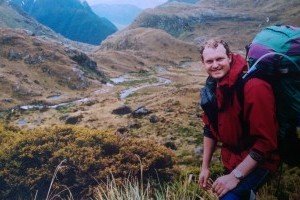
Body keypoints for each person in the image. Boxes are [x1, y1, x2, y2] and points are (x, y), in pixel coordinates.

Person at [198, 39, 280, 199]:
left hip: (262, 162)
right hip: (233, 158)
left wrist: (235, 176)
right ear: (203, 63)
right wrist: (205, 167)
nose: (215, 65)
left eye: (219, 59)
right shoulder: (213, 86)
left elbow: (266, 143)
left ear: (229, 57)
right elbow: (210, 128)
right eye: (209, 61)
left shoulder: (254, 87)